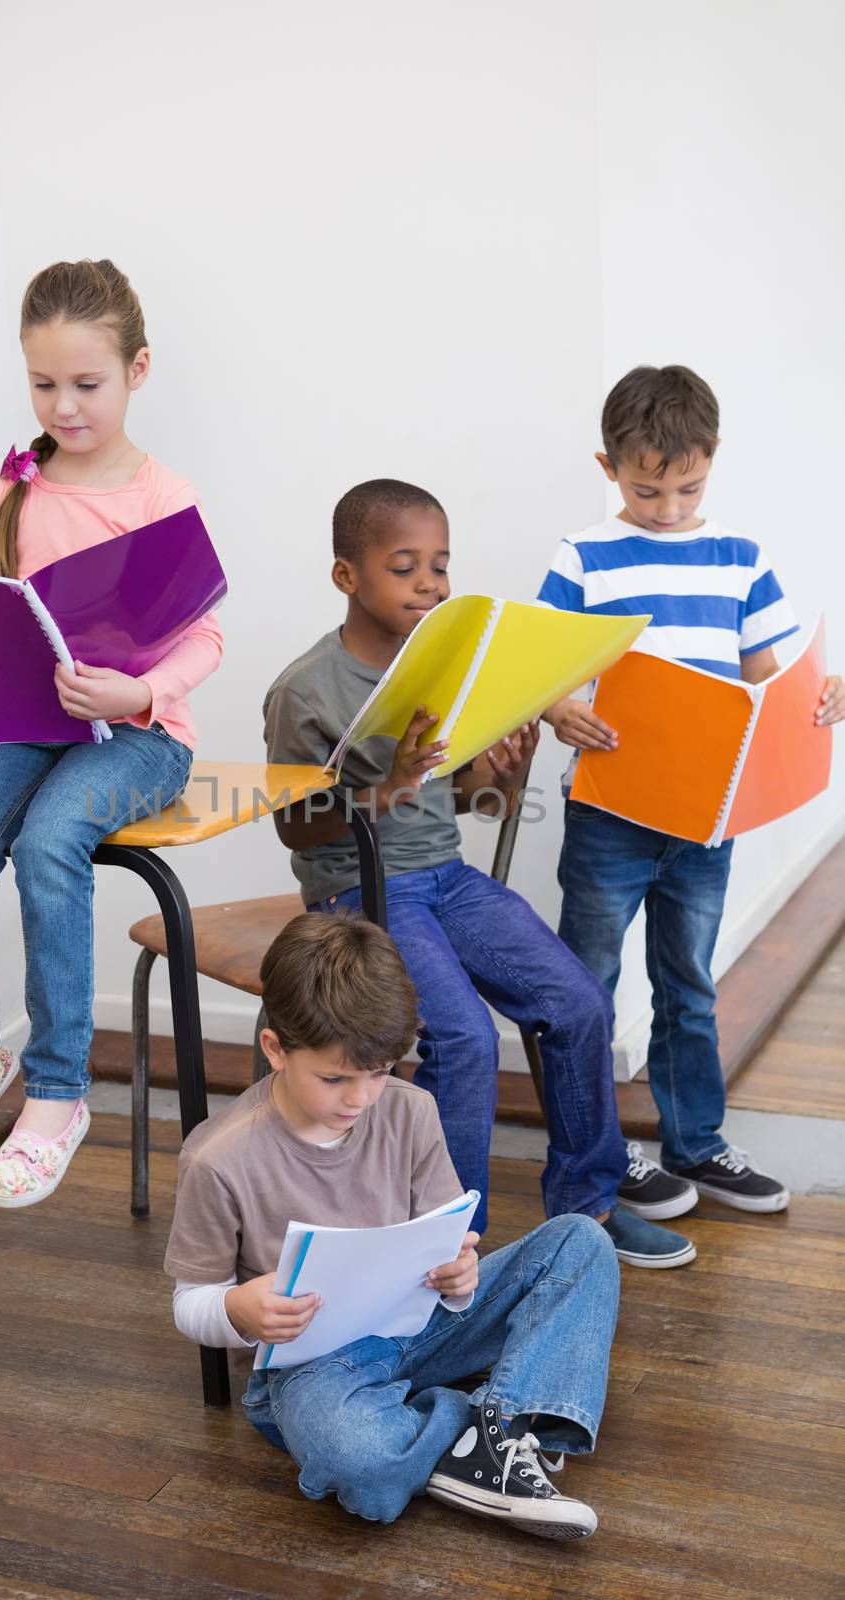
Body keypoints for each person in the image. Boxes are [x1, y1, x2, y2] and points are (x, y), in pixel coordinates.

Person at [262, 478, 695, 1266]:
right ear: (346, 576)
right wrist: (384, 788)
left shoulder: (443, 666)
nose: (429, 584)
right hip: (353, 891)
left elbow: (468, 803)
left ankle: (586, 1213)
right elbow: (293, 823)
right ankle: (447, 1245)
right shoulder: (305, 688)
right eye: (404, 566)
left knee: (576, 1003)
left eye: (439, 565)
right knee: (461, 1037)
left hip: (445, 878)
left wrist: (501, 770)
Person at [0, 258, 222, 1207]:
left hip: (141, 736)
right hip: (29, 727)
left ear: (137, 370)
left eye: (85, 384)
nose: (62, 406)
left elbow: (205, 636)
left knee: (47, 839)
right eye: (42, 384)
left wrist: (136, 694)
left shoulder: (160, 493)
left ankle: (61, 1089)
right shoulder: (15, 483)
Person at [165, 912, 619, 1537]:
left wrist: (460, 1275)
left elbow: (442, 1246)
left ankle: (472, 1438)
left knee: (581, 1242)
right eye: (335, 1078)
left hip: (422, 1323)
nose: (360, 1098)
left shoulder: (410, 1110)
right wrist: (239, 1311)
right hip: (312, 1369)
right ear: (276, 1049)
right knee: (356, 1455)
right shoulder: (217, 1159)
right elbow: (192, 1302)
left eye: (379, 1072)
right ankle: (500, 1425)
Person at [539, 364, 843, 1213]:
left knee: (689, 984)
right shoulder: (584, 555)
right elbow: (545, 674)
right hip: (609, 810)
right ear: (608, 468)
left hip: (707, 817)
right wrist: (561, 710)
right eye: (645, 490)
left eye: (686, 488)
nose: (666, 508)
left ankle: (697, 1145)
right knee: (586, 985)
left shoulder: (740, 558)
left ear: (711, 461)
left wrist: (820, 696)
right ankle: (597, 1157)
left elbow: (764, 686)